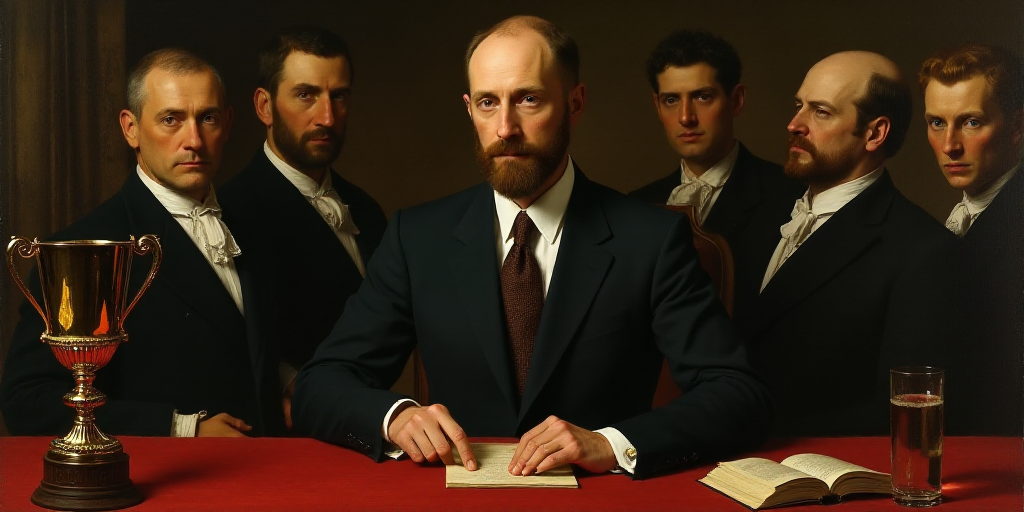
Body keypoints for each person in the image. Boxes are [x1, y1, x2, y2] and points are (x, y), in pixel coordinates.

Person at [293, 15, 771, 480]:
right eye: (487, 103)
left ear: (575, 103)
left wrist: (612, 443)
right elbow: (320, 384)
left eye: (528, 99)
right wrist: (394, 416)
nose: (505, 128)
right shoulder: (416, 237)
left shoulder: (652, 239)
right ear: (470, 110)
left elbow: (737, 395)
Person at [0, 49, 285, 438]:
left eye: (208, 118)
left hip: (271, 464)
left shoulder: (251, 230)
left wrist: (289, 385)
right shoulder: (81, 247)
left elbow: (241, 348)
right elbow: (27, 401)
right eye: (171, 120)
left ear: (228, 123)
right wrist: (181, 428)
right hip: (166, 472)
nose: (194, 140)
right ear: (130, 128)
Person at [739, 51, 954, 436]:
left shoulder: (923, 250)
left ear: (875, 133)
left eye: (821, 112)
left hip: (810, 464)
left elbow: (895, 415)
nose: (794, 124)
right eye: (799, 106)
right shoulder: (762, 213)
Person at [218, 26, 387, 429]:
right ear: (265, 106)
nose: (327, 117)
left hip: (373, 422)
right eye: (306, 95)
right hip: (293, 434)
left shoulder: (366, 209)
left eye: (338, 96)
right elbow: (234, 339)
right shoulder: (230, 212)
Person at [630, 30, 802, 317]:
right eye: (671, 100)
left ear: (736, 100)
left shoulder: (793, 198)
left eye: (702, 97)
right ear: (657, 106)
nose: (686, 117)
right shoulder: (635, 206)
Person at [919, 43, 1024, 435]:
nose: (950, 145)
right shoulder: (962, 216)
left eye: (972, 122)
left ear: (1016, 127)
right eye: (937, 122)